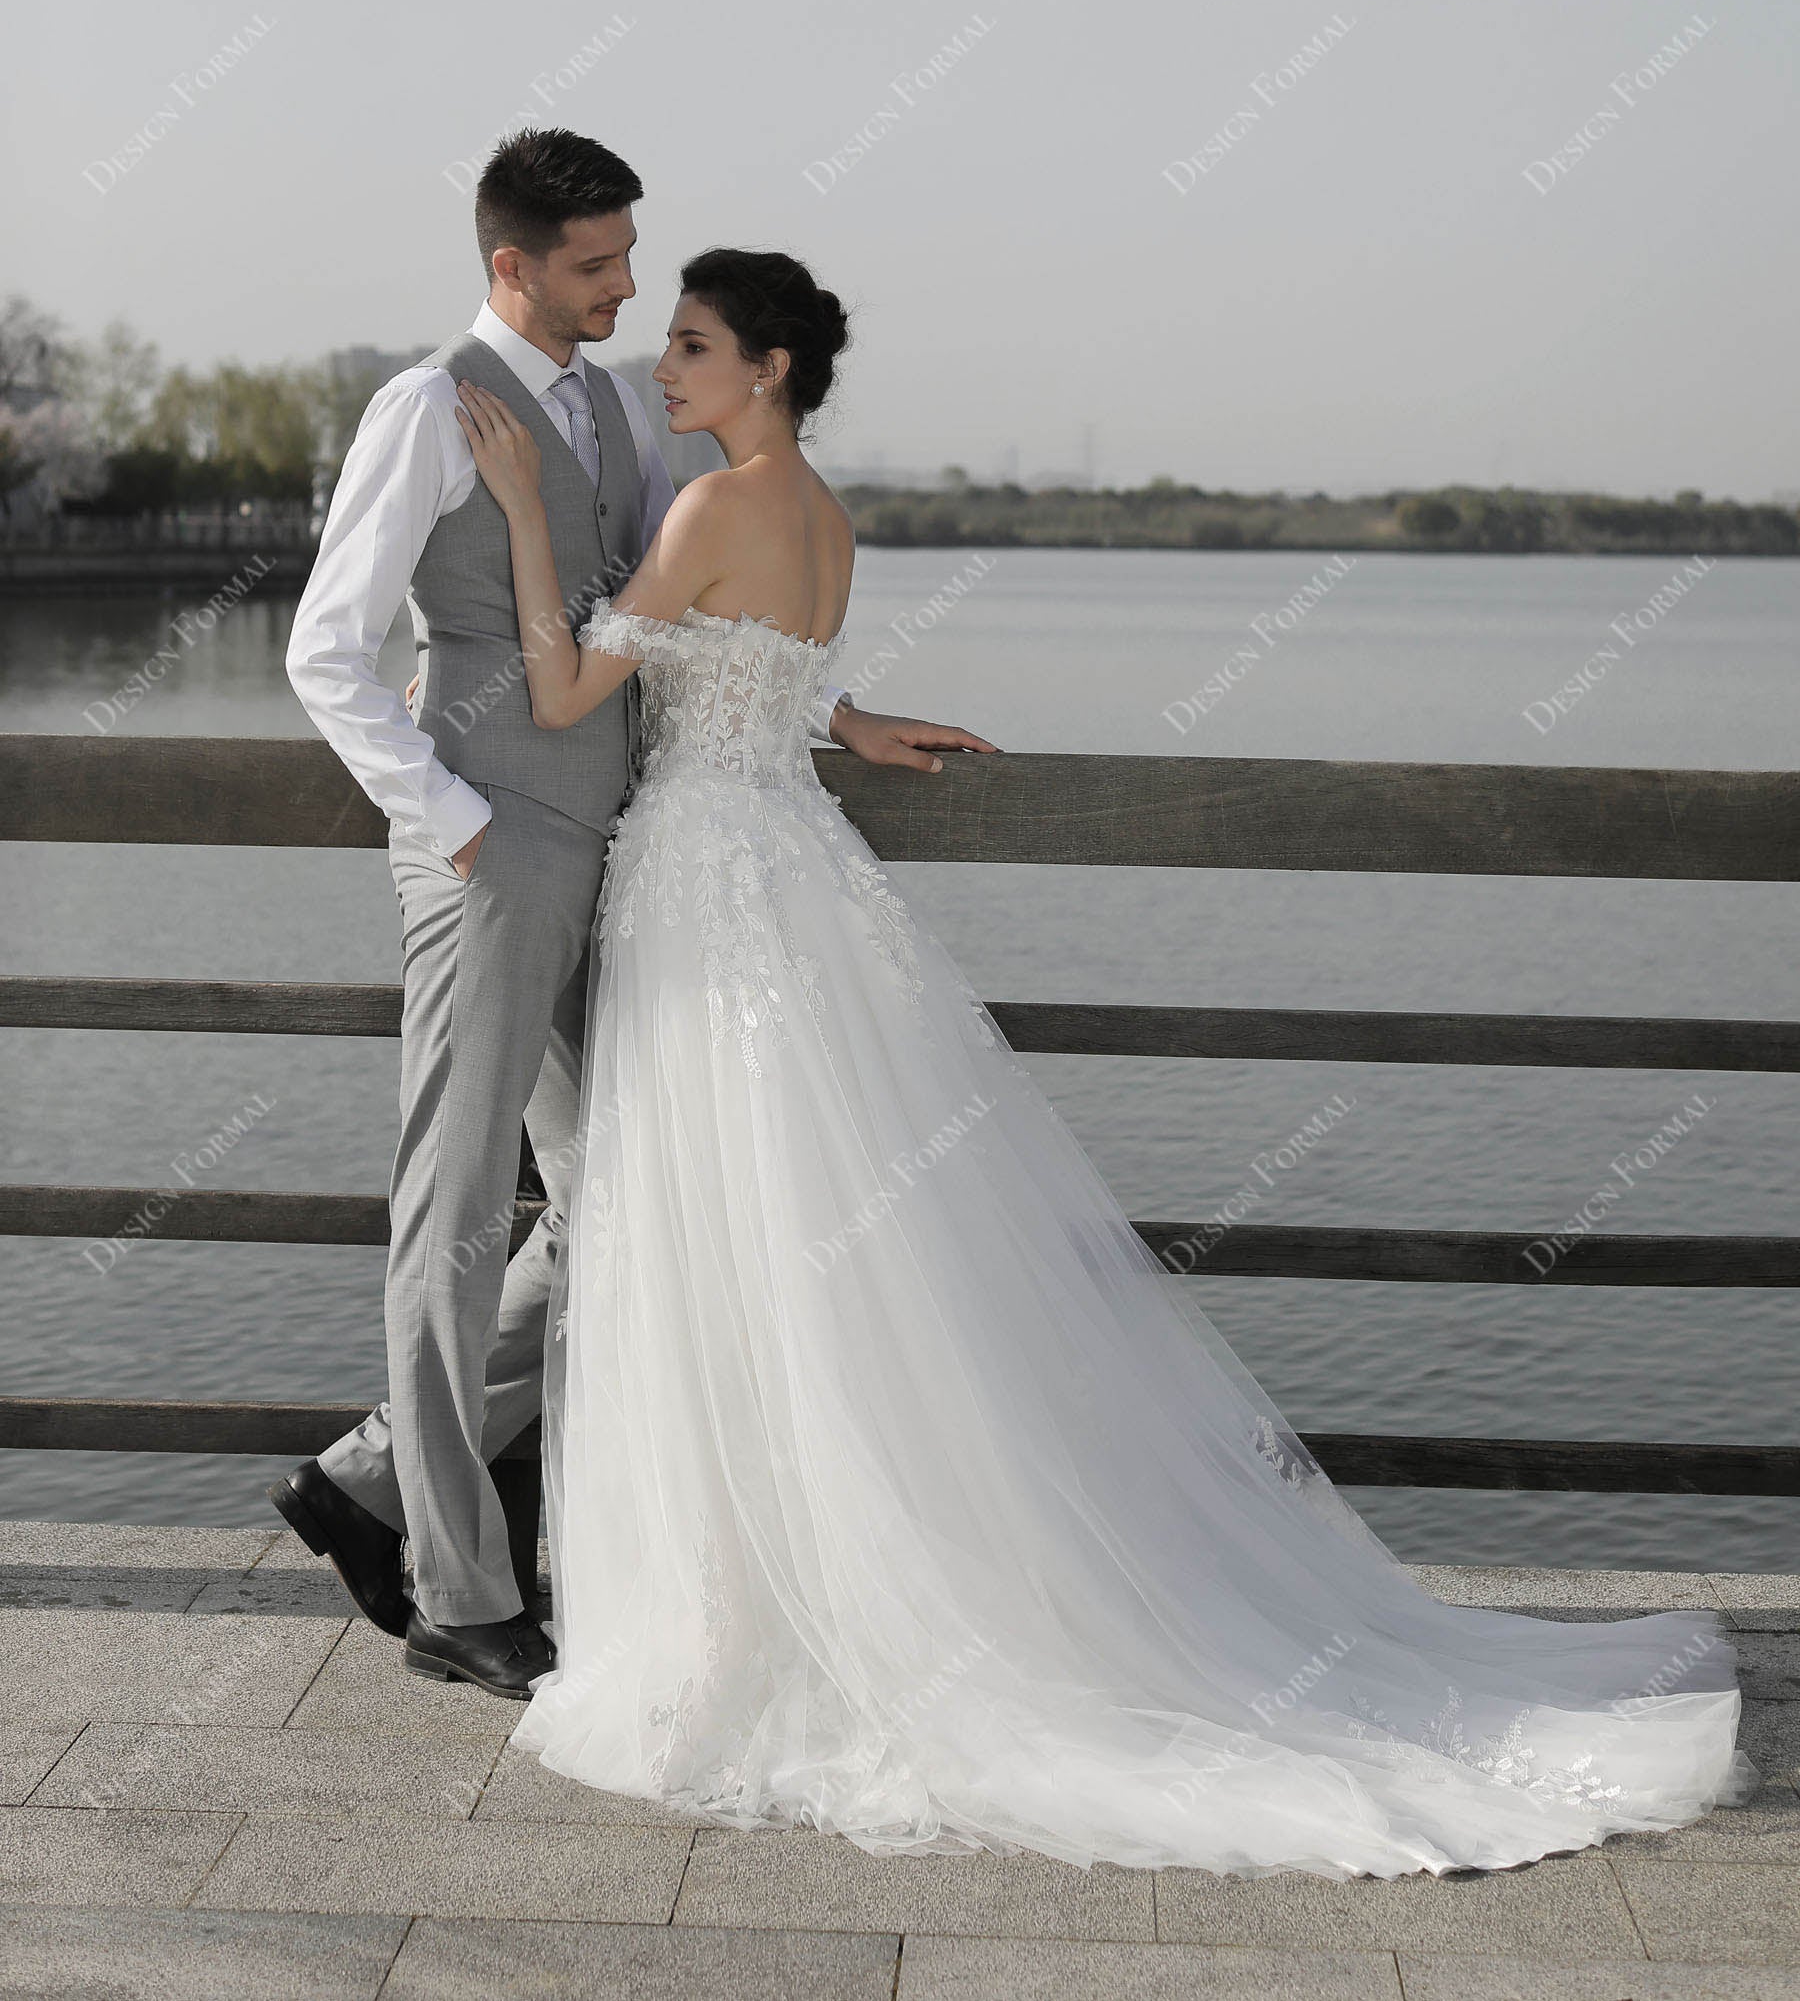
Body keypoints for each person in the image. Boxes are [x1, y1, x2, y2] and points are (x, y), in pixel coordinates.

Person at [455, 244, 1755, 1876]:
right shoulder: (828, 518)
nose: (666, 367)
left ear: (768, 368)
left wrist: (522, 514)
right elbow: (770, 674)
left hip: (706, 890)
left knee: (729, 1236)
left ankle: (756, 1613)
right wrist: (853, 722)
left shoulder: (711, 506)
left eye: (695, 344)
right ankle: (816, 1583)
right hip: (784, 873)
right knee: (821, 1242)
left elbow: (568, 685)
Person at [272, 132, 993, 1693]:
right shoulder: (427, 409)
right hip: (489, 847)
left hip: (622, 852)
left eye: (629, 264)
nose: (621, 291)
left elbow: (698, 616)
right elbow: (325, 651)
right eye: (596, 266)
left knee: (621, 1198)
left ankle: (371, 1481)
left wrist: (835, 710)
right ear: (512, 264)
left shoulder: (611, 409)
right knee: (458, 1215)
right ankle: (462, 1592)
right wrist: (452, 820)